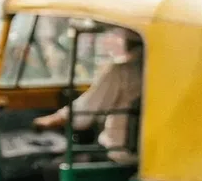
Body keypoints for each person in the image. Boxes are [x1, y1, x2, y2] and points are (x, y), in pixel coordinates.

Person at [34, 29, 143, 160]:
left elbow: (84, 115)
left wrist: (51, 120)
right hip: (148, 156)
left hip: (119, 153)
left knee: (53, 166)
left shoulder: (122, 70)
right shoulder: (163, 72)